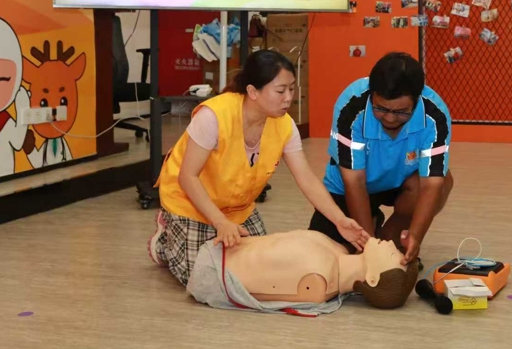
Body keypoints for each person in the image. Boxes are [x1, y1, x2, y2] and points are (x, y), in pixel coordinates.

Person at [149, 50, 369, 286]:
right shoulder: (213, 116)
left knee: (258, 271)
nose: (288, 98)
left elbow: (306, 178)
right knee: (203, 279)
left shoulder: (285, 126)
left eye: (291, 89)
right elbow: (187, 177)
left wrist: (340, 220)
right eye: (280, 91)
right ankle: (163, 243)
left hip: (237, 208)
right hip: (189, 203)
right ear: (253, 91)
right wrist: (220, 222)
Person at [308, 52, 453, 265]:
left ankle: (389, 236)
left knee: (443, 180)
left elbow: (432, 184)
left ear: (417, 100)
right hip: (351, 187)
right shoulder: (351, 106)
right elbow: (354, 181)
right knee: (324, 259)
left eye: (402, 112)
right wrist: (370, 248)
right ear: (371, 94)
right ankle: (372, 226)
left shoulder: (435, 115)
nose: (390, 118)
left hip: (400, 185)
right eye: (381, 108)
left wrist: (416, 236)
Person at [187, 231, 419, 312]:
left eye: (391, 254)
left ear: (372, 278)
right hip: (225, 241)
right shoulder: (337, 250)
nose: (391, 242)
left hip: (208, 266)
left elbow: (249, 292)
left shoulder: (316, 284)